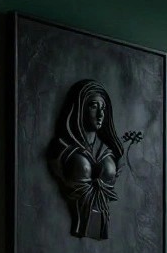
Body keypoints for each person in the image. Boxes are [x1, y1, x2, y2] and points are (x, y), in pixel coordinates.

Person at [47, 79, 124, 240]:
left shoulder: (107, 151)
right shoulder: (63, 150)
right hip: (61, 231)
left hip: (102, 233)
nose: (100, 114)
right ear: (80, 108)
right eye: (94, 106)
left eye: (103, 108)